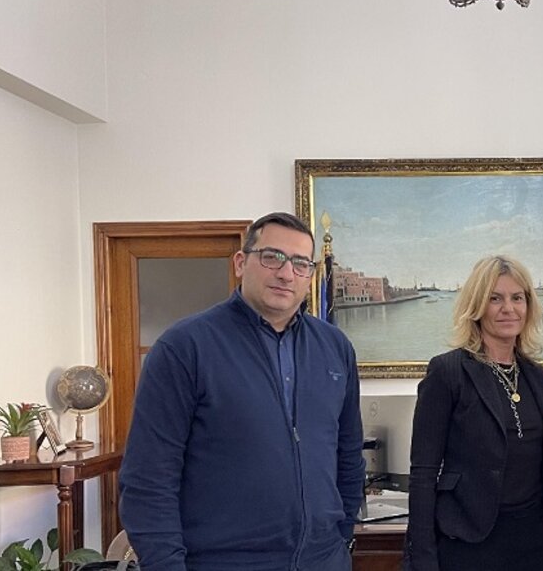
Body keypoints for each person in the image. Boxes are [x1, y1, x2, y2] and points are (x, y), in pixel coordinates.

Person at [119, 212, 365, 571]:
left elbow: (348, 454)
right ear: (240, 263)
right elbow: (148, 479)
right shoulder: (184, 347)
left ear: (310, 276)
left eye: (300, 264)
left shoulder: (335, 347)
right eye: (272, 257)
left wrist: (339, 537)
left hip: (323, 560)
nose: (286, 273)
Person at [403, 256, 543, 571]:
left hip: (532, 541)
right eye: (495, 298)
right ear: (476, 306)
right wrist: (422, 558)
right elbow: (423, 473)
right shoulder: (448, 372)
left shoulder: (537, 376)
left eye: (517, 298)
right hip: (469, 544)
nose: (508, 308)